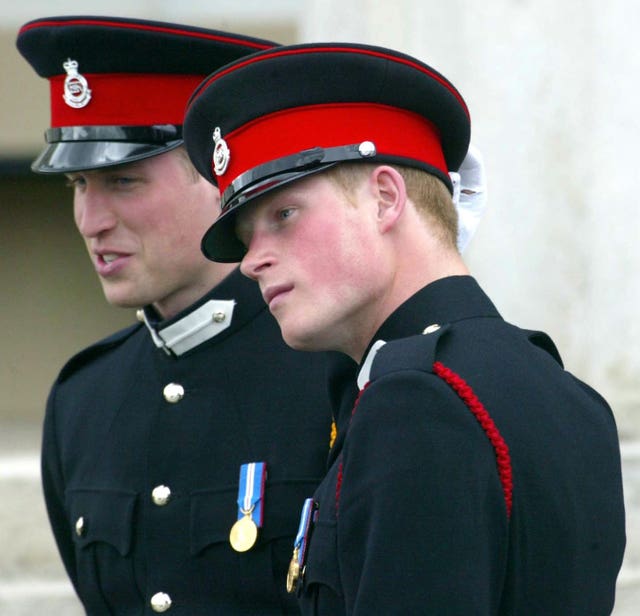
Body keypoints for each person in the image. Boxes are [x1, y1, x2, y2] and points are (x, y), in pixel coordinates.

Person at [182, 42, 627, 614]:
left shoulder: (417, 401)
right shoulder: (561, 389)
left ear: (386, 199)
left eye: (283, 215)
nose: (250, 261)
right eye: (245, 237)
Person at [16, 17, 349, 615]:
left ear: (220, 177)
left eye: (123, 181)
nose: (92, 221)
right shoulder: (83, 398)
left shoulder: (337, 371)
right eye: (77, 184)